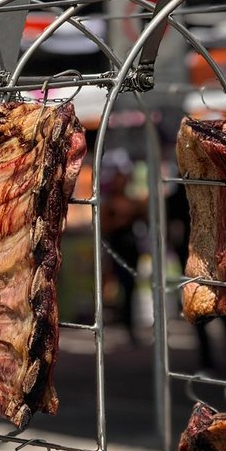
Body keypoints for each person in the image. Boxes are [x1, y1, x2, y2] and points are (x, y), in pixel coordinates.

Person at [100, 148, 146, 345]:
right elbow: (104, 226)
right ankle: (121, 323)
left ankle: (129, 325)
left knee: (129, 288)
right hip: (117, 248)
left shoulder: (130, 200)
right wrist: (122, 219)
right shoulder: (110, 202)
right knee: (119, 286)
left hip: (131, 247)